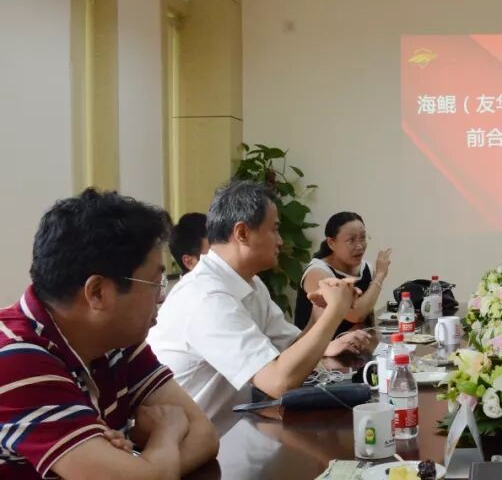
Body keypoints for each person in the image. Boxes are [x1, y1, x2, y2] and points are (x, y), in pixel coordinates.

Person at [0, 189, 218, 479]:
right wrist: (167, 431)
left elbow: (204, 435)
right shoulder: (15, 359)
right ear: (97, 292)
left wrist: (143, 463)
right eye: (155, 282)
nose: (162, 296)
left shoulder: (115, 339)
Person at [147, 181, 375, 421]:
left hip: (232, 429)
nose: (280, 241)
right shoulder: (206, 297)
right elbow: (279, 382)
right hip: (192, 439)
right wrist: (336, 311)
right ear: (242, 233)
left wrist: (321, 315)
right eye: (274, 229)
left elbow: (289, 348)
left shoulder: (250, 282)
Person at [293, 211, 391, 336]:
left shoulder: (366, 268)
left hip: (354, 344)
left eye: (362, 237)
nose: (360, 246)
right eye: (351, 240)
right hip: (321, 346)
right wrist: (380, 275)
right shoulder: (316, 272)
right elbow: (356, 315)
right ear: (331, 243)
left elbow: (367, 315)